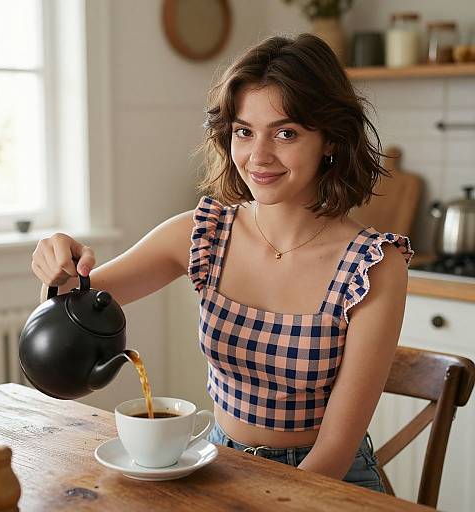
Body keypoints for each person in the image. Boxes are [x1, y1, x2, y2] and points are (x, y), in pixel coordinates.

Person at [31, 33, 413, 492]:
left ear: (329, 139)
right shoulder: (202, 233)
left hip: (325, 483)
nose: (259, 156)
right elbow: (70, 313)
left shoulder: (374, 265)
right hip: (217, 463)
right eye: (244, 131)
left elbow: (333, 453)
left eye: (286, 132)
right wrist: (59, 266)